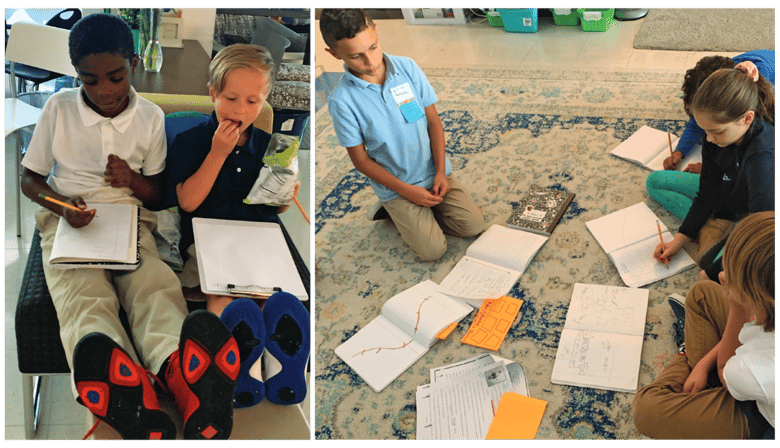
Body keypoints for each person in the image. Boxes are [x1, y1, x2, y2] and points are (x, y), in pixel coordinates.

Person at [19, 14, 238, 440]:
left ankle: (186, 376)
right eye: (89, 80)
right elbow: (30, 180)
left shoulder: (151, 117)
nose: (104, 91)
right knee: (83, 297)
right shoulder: (58, 108)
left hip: (129, 219)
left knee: (153, 285)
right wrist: (63, 205)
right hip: (67, 221)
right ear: (77, 76)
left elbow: (156, 194)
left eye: (115, 77)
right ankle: (126, 390)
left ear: (134, 65)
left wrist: (131, 180)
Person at [167, 44, 310, 407]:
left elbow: (274, 209)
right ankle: (233, 370)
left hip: (258, 237)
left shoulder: (273, 145)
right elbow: (188, 202)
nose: (241, 111)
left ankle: (278, 366)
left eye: (253, 101)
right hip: (209, 236)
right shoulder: (192, 141)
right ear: (213, 93)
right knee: (223, 299)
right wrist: (217, 152)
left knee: (273, 298)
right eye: (231, 98)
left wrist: (283, 195)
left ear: (264, 100)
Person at [319, 8, 486, 261]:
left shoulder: (407, 67)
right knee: (432, 251)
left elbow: (433, 122)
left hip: (434, 173)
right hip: (398, 186)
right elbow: (361, 161)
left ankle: (418, 215)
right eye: (356, 56)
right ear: (334, 54)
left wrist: (441, 171)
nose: (371, 62)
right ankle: (394, 210)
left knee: (473, 226)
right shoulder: (342, 101)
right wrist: (406, 192)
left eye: (373, 47)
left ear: (376, 30)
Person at [633, 211, 775, 439]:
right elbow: (757, 339)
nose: (722, 276)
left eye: (732, 276)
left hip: (760, 417)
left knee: (647, 410)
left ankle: (684, 353)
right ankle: (699, 374)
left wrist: (737, 307)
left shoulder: (762, 367)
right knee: (702, 293)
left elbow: (727, 370)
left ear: (758, 299)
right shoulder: (768, 309)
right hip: (750, 371)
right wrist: (703, 365)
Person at [652, 61, 775, 280]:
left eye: (715, 131)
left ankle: (723, 229)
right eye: (704, 131)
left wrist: (711, 273)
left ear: (747, 118)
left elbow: (761, 233)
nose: (708, 139)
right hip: (727, 194)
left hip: (755, 216)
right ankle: (709, 226)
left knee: (718, 268)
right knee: (654, 181)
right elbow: (706, 190)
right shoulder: (714, 136)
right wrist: (679, 239)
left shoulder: (763, 154)